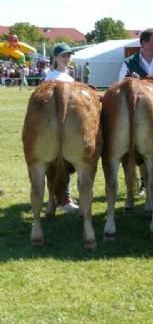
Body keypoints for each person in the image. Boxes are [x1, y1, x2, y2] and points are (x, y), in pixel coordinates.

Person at [118, 28, 153, 200]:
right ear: (143, 43)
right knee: (141, 148)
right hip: (138, 113)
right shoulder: (129, 62)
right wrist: (130, 79)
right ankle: (144, 183)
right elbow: (119, 85)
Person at [45, 43, 79, 213]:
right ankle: (62, 199)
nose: (66, 59)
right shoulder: (51, 77)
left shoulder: (69, 77)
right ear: (56, 58)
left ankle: (60, 198)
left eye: (68, 56)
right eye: (63, 56)